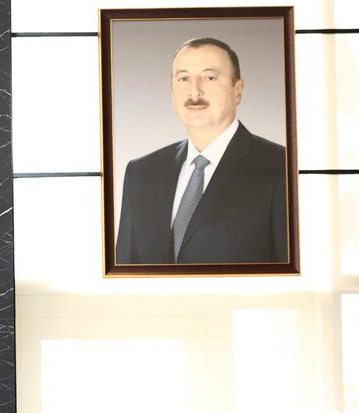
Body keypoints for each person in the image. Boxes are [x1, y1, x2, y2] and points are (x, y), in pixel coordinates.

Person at [115, 37, 288, 265]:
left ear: (238, 90)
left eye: (210, 77)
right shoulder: (142, 172)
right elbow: (126, 270)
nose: (194, 91)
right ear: (172, 89)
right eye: (184, 78)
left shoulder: (280, 167)